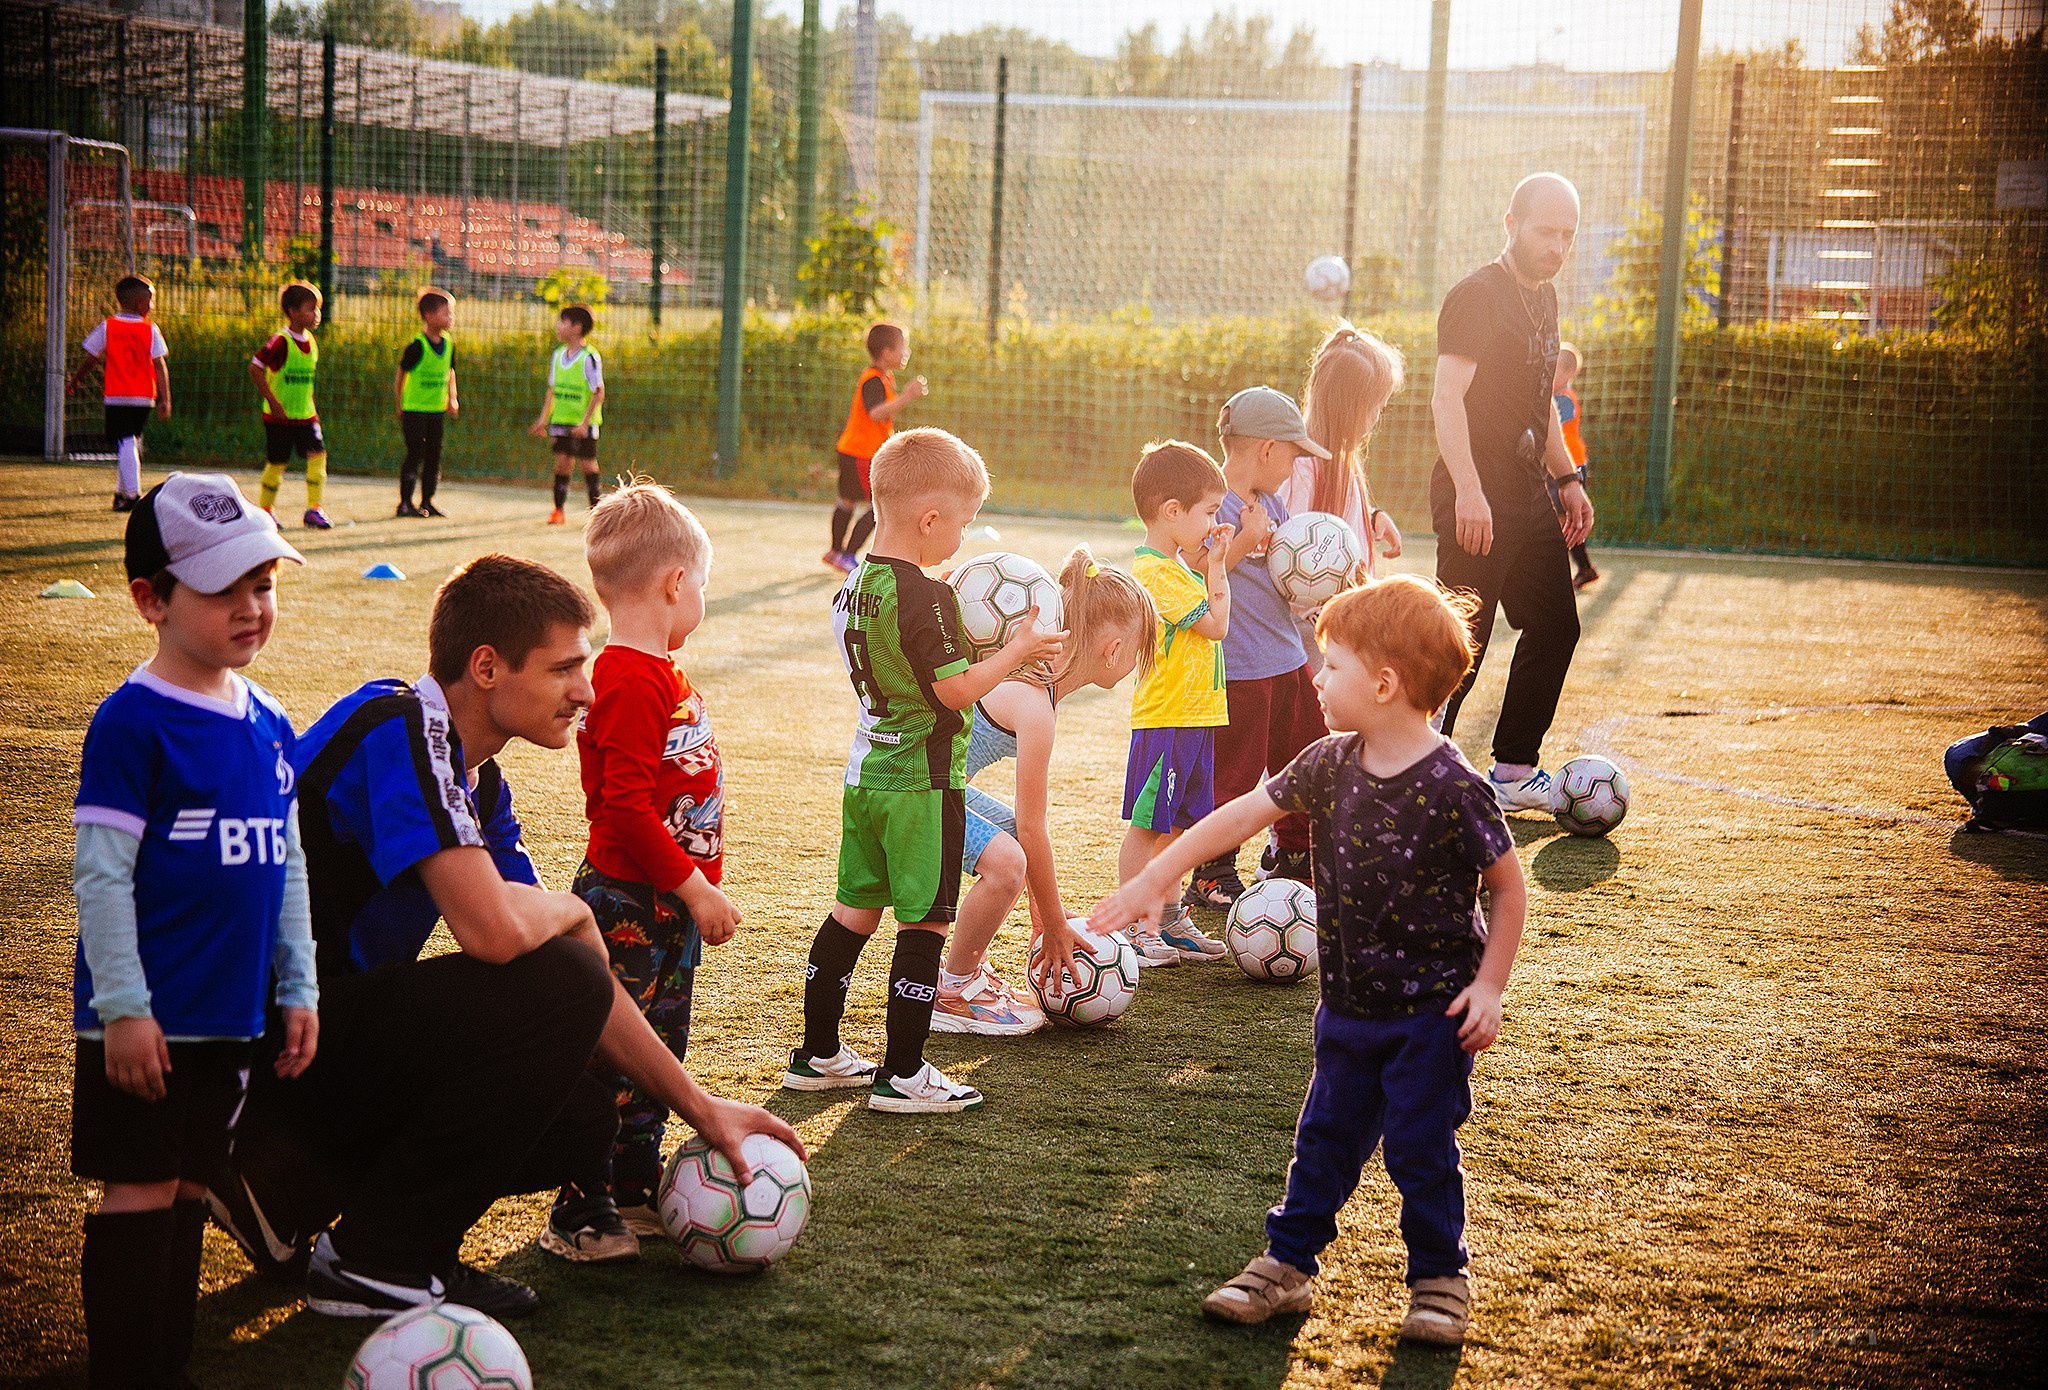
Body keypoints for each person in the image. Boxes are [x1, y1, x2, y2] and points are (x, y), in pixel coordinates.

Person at [209, 553, 802, 1320]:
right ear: (486, 667)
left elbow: (569, 959)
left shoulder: (480, 782)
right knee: (559, 977)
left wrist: (701, 1108)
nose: (586, 691)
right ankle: (376, 1258)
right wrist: (576, 911)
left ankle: (289, 1193)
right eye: (564, 669)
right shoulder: (398, 724)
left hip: (323, 1035)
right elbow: (492, 932)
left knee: (586, 1120)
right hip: (253, 1043)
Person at [1089, 575, 1526, 1348]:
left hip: (1434, 1016)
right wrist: (1156, 877)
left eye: (1332, 667)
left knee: (1423, 1151)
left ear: (1385, 684)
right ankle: (1286, 1267)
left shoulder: (1455, 786)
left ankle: (1438, 1281)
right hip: (1349, 1010)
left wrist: (1489, 986)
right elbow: (1239, 815)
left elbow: (1507, 888)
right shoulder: (1327, 763)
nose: (1316, 680)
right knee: (1322, 1141)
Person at [71, 473, 315, 1387]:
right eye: (224, 588)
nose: (253, 607)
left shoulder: (269, 722)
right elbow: (101, 878)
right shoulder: (132, 724)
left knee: (183, 1188)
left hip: (231, 1021)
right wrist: (125, 1009)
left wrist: (298, 985)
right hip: (144, 1024)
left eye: (265, 583)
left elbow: (285, 866)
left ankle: (162, 1362)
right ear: (152, 600)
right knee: (138, 1188)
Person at [783, 427, 1063, 1113]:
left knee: (854, 910)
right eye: (961, 526)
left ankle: (817, 1054)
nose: (962, 542)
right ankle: (903, 1073)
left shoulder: (853, 587)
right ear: (928, 518)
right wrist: (1015, 648)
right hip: (922, 782)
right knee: (926, 923)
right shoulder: (931, 599)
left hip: (866, 775)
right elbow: (956, 691)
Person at [561, 481, 739, 1253]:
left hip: (661, 904)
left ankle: (631, 1186)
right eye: (700, 584)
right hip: (630, 903)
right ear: (675, 584)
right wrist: (695, 886)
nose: (700, 598)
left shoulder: (659, 670)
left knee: (659, 1050)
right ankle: (581, 1201)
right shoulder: (631, 678)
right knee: (611, 1057)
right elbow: (627, 808)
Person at [932, 546, 1159, 1035]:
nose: (1135, 667)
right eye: (1139, 653)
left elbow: (1024, 827)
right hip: (917, 791)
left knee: (1012, 838)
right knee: (1009, 861)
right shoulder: (1035, 704)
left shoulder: (1039, 684)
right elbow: (1035, 829)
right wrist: (1056, 926)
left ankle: (961, 975)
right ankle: (952, 986)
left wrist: (1043, 917)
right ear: (1114, 648)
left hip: (934, 784)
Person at [1431, 172, 1596, 813]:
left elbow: (1542, 406)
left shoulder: (1546, 297)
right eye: (1544, 231)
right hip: (1477, 497)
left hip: (1529, 496)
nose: (1556, 245)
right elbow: (1447, 399)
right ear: (1511, 223)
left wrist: (1566, 480)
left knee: (1556, 625)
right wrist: (1469, 490)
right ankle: (1414, 767)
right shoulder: (1476, 296)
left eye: (1567, 235)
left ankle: (1513, 767)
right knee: (1455, 644)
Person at [1186, 387, 1332, 910]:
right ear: (1268, 450)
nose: (1295, 467)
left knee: (1304, 761)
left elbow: (1284, 573)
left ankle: (1297, 854)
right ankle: (1212, 869)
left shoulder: (1270, 503)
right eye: (1293, 455)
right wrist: (1245, 539)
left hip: (1288, 658)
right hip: (1240, 667)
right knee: (1235, 772)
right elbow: (1195, 575)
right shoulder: (1212, 504)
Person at [1120, 440, 1235, 965]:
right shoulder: (1156, 574)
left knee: (1180, 825)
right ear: (1172, 512)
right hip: (1165, 720)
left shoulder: (1178, 567)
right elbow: (1217, 625)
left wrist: (1204, 561)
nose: (1216, 521)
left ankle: (1167, 918)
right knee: (1148, 826)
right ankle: (1133, 925)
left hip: (1197, 718)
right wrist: (1219, 566)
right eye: (1209, 511)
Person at [1281, 322, 1407, 604]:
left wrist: (1372, 515)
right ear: (1351, 409)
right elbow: (1291, 549)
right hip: (1314, 625)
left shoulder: (1341, 464)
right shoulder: (1301, 470)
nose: (1378, 417)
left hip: (1342, 615)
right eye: (1376, 407)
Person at [824, 322, 927, 574]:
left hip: (852, 449)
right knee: (880, 506)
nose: (907, 351)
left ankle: (836, 552)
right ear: (886, 352)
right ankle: (847, 555)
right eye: (904, 346)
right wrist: (907, 397)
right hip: (863, 454)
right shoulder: (874, 380)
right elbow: (876, 413)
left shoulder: (882, 377)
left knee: (847, 501)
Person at [66, 274, 170, 513]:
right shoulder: (150, 329)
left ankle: (132, 494)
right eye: (151, 301)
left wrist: (75, 379)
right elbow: (159, 365)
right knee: (129, 442)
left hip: (117, 396)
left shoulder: (108, 326)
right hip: (144, 397)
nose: (152, 306)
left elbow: (90, 358)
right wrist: (165, 399)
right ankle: (122, 495)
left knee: (125, 441)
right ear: (138, 303)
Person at [248, 281, 333, 529]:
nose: (316, 314)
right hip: (279, 417)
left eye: (318, 309)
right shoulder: (281, 341)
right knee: (277, 463)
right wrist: (273, 402)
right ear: (293, 312)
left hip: (306, 416)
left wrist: (312, 406)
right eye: (311, 309)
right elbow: (255, 368)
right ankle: (265, 511)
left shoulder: (312, 341)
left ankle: (313, 510)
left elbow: (307, 382)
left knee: (318, 456)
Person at [530, 304, 605, 525]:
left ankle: (597, 515)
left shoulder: (589, 357)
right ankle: (558, 510)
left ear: (577, 327)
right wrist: (543, 420)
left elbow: (598, 392)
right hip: (561, 421)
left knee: (588, 465)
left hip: (583, 425)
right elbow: (552, 390)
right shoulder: (557, 355)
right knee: (562, 464)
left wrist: (584, 423)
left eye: (562, 322)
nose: (558, 327)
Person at [395, 288, 459, 519]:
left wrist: (452, 398)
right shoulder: (418, 345)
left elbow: (450, 371)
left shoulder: (449, 343)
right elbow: (401, 373)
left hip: (436, 411)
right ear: (429, 316)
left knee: (434, 455)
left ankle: (427, 501)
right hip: (415, 410)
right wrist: (400, 402)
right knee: (415, 454)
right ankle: (405, 503)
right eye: (446, 313)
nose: (450, 318)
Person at [1552, 342, 1598, 589]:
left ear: (1568, 374)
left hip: (1571, 466)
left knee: (1564, 518)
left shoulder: (1564, 400)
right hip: (1559, 466)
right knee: (1562, 518)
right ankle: (1584, 568)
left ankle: (1573, 570)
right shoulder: (1557, 396)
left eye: (1553, 369)